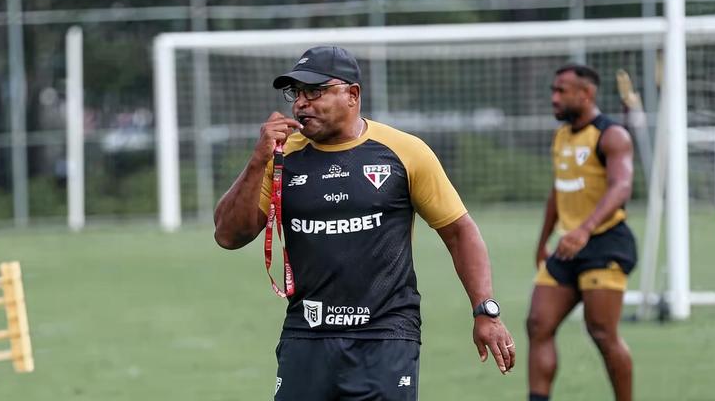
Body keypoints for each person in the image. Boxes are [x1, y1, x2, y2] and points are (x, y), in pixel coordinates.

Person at [214, 45, 515, 400]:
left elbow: (459, 232)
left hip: (385, 336)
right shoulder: (282, 156)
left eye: (315, 92)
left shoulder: (404, 151)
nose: (300, 103)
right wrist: (257, 160)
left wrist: (485, 310)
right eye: (296, 93)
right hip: (306, 334)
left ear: (352, 94)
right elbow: (228, 236)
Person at [526, 64, 636, 401]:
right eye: (553, 91)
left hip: (605, 243)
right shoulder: (561, 136)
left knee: (602, 332)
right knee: (538, 324)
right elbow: (559, 191)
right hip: (568, 245)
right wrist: (544, 239)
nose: (554, 98)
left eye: (561, 91)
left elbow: (621, 187)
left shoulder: (612, 135)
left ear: (585, 94)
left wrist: (586, 229)